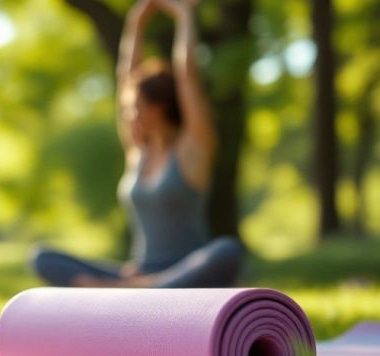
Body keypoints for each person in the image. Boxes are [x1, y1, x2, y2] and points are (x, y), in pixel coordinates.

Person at [30, 0, 244, 288]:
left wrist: (184, 15)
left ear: (157, 108)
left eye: (135, 108)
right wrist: (136, 21)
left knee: (228, 251)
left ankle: (135, 292)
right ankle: (134, 290)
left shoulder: (192, 148)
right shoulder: (138, 151)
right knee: (42, 257)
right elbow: (125, 77)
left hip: (185, 274)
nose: (127, 114)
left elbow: (187, 77)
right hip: (139, 273)